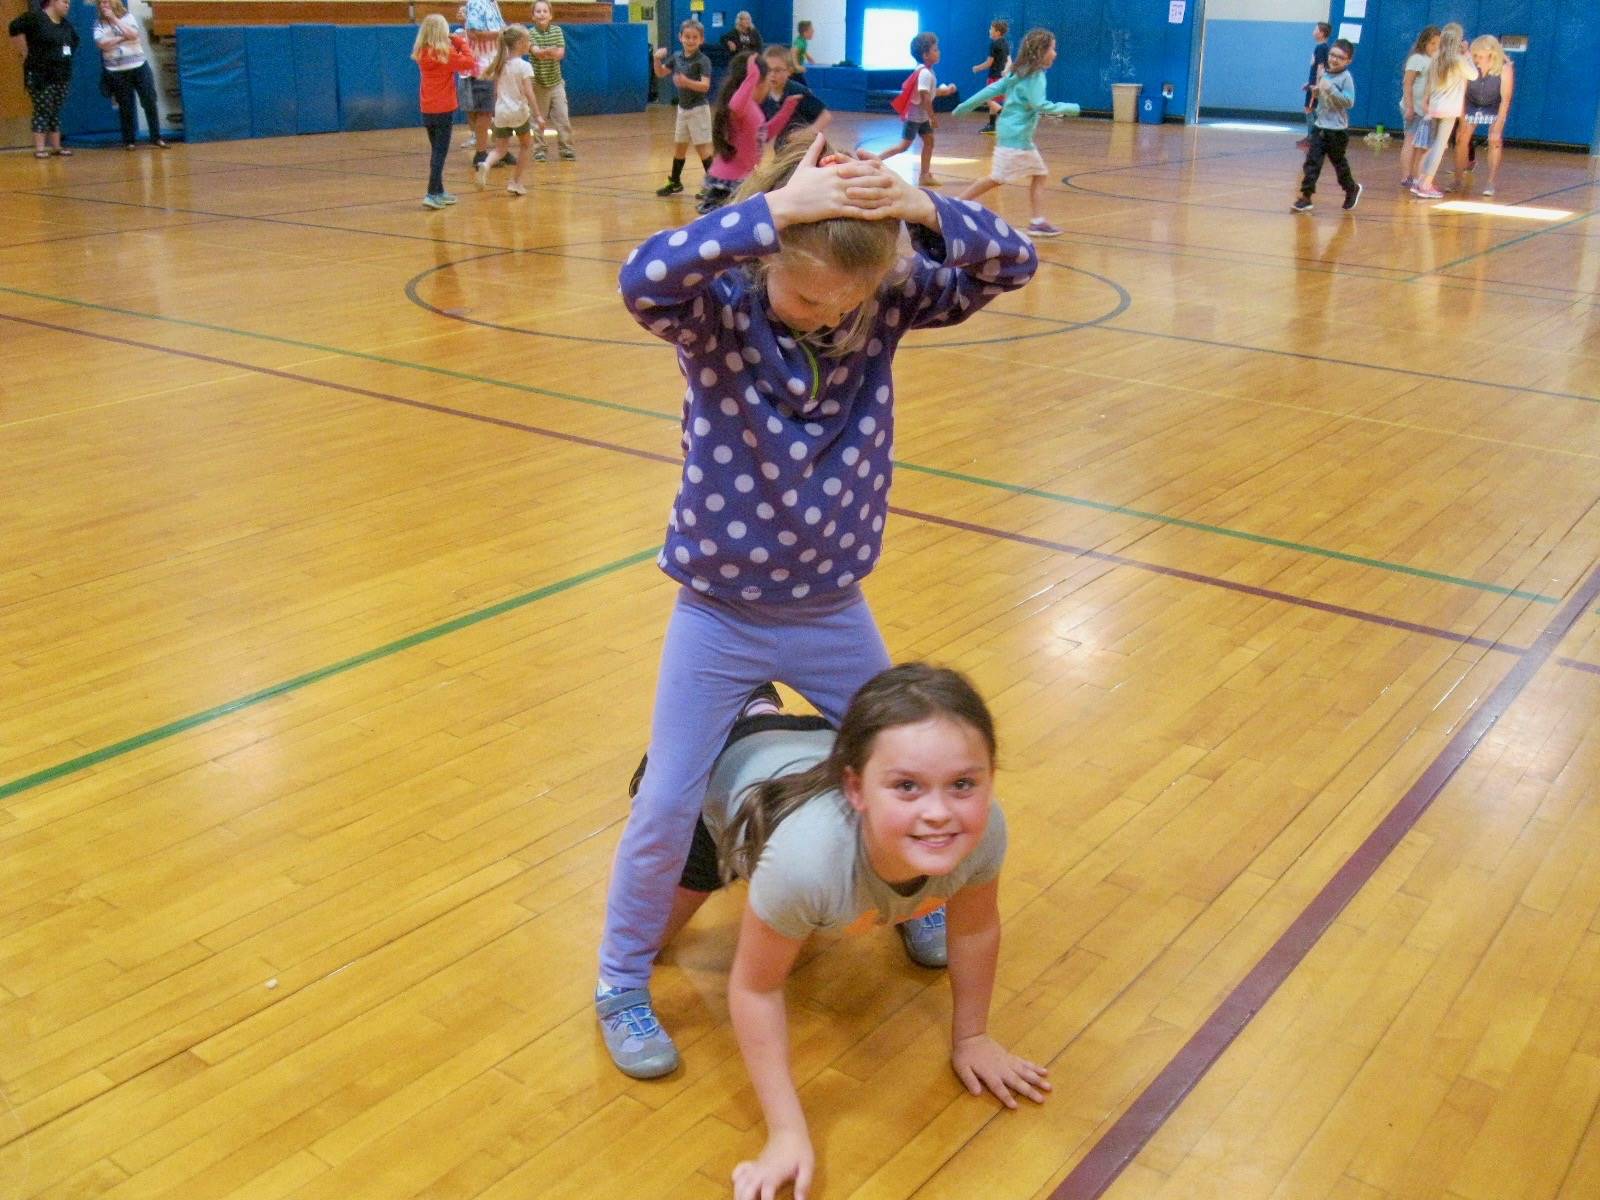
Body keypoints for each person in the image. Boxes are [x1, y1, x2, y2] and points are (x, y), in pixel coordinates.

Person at [605, 133, 1040, 1081]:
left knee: (908, 763)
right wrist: (779, 209)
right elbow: (643, 276)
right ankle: (619, 982)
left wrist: (915, 208)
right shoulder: (715, 312)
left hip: (833, 607)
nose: (832, 317)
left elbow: (1015, 259)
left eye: (850, 301)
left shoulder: (879, 303)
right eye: (808, 298)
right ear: (768, 253)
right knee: (669, 802)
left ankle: (919, 903)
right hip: (718, 612)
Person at [637, 664, 1049, 1200]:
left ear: (991, 776)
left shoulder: (986, 828)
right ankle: (746, 711)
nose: (940, 812)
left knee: (843, 896)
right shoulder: (806, 860)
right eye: (907, 787)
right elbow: (755, 987)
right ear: (856, 789)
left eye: (964, 784)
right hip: (714, 781)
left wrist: (972, 1037)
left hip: (808, 752)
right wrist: (786, 1132)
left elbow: (974, 930)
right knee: (652, 943)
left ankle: (763, 713)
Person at [953, 28, 1078, 238]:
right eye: (1053, 49)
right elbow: (1040, 104)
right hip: (1015, 139)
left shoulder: (1019, 71)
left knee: (1039, 174)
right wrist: (1071, 108)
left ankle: (1037, 221)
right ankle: (956, 205)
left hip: (1017, 137)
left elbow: (991, 90)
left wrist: (964, 106)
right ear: (1042, 51)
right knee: (997, 178)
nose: (1055, 53)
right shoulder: (1035, 76)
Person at [697, 51, 801, 213]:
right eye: (767, 80)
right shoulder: (742, 107)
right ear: (758, 81)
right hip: (729, 181)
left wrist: (786, 110)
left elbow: (764, 135)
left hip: (743, 178)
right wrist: (752, 76)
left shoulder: (752, 109)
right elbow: (736, 105)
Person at [413, 14, 476, 209]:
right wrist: (460, 41)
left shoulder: (422, 53)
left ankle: (439, 191)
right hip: (443, 108)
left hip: (427, 108)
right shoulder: (445, 54)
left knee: (436, 151)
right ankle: (432, 192)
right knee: (440, 153)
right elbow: (469, 62)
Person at [879, 32, 958, 186]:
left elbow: (930, 92)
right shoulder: (925, 73)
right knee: (904, 146)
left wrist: (946, 91)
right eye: (935, 49)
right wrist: (933, 117)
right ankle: (874, 160)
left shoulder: (926, 71)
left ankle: (924, 175)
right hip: (916, 117)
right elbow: (925, 97)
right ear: (925, 55)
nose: (938, 52)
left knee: (929, 141)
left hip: (922, 117)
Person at [1411, 23, 1476, 200]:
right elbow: (1473, 75)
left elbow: (1430, 82)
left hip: (1435, 106)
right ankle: (1426, 183)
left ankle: (1421, 180)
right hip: (1449, 109)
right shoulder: (1458, 59)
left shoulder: (1437, 56)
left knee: (1433, 145)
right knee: (1439, 147)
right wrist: (1468, 54)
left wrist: (1426, 100)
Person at [93, 0, 167, 150]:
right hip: (116, 70)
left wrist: (114, 19)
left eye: (106, 2)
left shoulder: (128, 17)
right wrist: (122, 38)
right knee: (125, 105)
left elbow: (133, 34)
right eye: (100, 3)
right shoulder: (98, 23)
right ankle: (129, 141)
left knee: (149, 100)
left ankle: (156, 137)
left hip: (138, 66)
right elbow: (101, 44)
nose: (103, 5)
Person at [8, 0, 78, 159]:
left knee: (55, 110)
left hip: (61, 74)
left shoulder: (66, 25)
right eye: (64, 1)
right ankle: (40, 148)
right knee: (42, 110)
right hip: (40, 75)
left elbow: (74, 43)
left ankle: (56, 146)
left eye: (69, 2)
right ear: (52, 2)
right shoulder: (35, 18)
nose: (67, 5)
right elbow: (13, 27)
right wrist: (24, 51)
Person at [475, 24, 539, 196]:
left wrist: (495, 111)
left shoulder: (500, 65)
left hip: (501, 111)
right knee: (526, 145)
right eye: (527, 41)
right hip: (518, 112)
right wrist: (538, 115)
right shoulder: (524, 66)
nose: (529, 43)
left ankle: (486, 164)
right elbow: (529, 92)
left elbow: (495, 91)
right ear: (519, 43)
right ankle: (516, 182)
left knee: (499, 150)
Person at [653, 19, 714, 196]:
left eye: (695, 37)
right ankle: (675, 181)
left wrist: (686, 82)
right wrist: (656, 59)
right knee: (680, 146)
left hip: (698, 110)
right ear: (680, 37)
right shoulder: (677, 57)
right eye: (687, 36)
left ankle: (714, 186)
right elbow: (661, 72)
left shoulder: (703, 61)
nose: (690, 40)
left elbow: (705, 86)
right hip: (683, 109)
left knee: (702, 148)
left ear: (701, 40)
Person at [1458, 35, 1513, 197]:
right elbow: (1462, 93)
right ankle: (1458, 178)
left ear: (1492, 55)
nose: (1476, 59)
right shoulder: (1469, 64)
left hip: (1493, 105)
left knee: (1495, 140)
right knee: (1461, 138)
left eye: (1480, 56)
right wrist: (1462, 119)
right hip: (1472, 102)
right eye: (1474, 55)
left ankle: (1490, 181)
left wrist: (1498, 125)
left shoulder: (1504, 68)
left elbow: (1505, 98)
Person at [463, 0, 511, 169]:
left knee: (499, 109)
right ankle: (481, 153)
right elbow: (474, 33)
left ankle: (501, 150)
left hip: (495, 64)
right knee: (484, 111)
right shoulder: (476, 3)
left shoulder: (494, 3)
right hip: (483, 66)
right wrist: (501, 34)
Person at [525, 0, 574, 161]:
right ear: (533, 16)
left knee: (562, 117)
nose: (541, 14)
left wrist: (547, 52)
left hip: (556, 82)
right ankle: (539, 150)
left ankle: (566, 148)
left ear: (550, 15)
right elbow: (537, 53)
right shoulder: (530, 33)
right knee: (538, 120)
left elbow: (560, 54)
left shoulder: (557, 31)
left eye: (545, 11)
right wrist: (549, 51)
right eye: (538, 11)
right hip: (538, 83)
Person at [761, 44, 829, 145]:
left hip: (804, 147)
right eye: (768, 70)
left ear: (789, 71)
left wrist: (806, 133)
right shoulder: (763, 94)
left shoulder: (797, 91)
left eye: (778, 70)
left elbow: (825, 116)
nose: (772, 74)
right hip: (782, 148)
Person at [1398, 26, 1439, 190]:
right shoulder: (1417, 59)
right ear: (1424, 43)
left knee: (1420, 145)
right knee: (1410, 140)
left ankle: (1416, 175)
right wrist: (1409, 107)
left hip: (1426, 110)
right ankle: (1405, 176)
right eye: (1432, 43)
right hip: (1414, 108)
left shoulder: (1434, 60)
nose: (1436, 47)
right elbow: (1407, 85)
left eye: (1439, 44)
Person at [970, 18, 1010, 135]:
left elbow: (989, 63)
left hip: (994, 77)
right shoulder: (1005, 43)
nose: (989, 31)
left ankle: (1004, 116)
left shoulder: (994, 44)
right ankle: (992, 125)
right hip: (1003, 77)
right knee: (993, 100)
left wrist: (977, 68)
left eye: (991, 29)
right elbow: (1008, 60)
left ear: (997, 32)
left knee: (986, 99)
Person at [1297, 22, 1331, 149]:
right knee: (1312, 109)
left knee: (1309, 109)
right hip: (1313, 84)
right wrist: (1309, 83)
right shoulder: (1320, 47)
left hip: (1315, 86)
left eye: (1316, 29)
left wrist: (1316, 85)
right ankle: (1320, 135)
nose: (1314, 31)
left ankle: (1313, 137)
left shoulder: (1321, 48)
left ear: (1321, 33)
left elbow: (1321, 68)